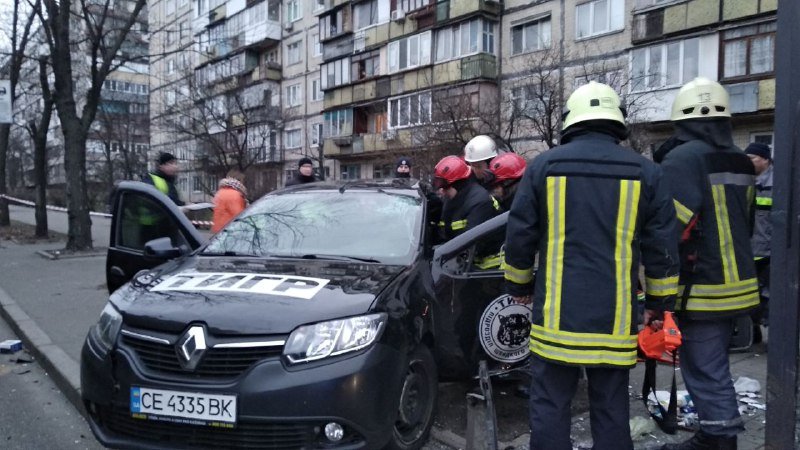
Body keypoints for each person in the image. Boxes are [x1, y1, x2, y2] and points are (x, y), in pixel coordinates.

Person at [503, 82, 680, 450]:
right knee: (612, 409)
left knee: (550, 407)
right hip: (613, 324)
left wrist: (519, 287)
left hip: (555, 322)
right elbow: (661, 248)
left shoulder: (542, 167)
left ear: (571, 121)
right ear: (616, 121)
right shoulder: (648, 173)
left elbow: (519, 235)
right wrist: (659, 307)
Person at [658, 77, 759, 450]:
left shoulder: (683, 159)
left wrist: (655, 286)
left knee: (705, 369)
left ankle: (719, 440)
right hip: (738, 283)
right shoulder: (739, 158)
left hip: (704, 285)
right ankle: (713, 433)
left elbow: (671, 228)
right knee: (713, 367)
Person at [433, 155, 500, 243]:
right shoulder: (452, 197)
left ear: (458, 184)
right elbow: (444, 230)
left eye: (445, 187)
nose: (442, 191)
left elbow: (470, 242)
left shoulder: (479, 202)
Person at [745, 142, 772, 344]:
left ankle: (777, 342)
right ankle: (753, 333)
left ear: (765, 159)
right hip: (750, 249)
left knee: (770, 296)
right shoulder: (747, 181)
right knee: (751, 295)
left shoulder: (777, 183)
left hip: (770, 252)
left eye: (752, 158)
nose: (749, 162)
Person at [211, 169, 248, 233]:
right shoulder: (234, 195)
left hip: (218, 230)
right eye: (242, 180)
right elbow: (239, 215)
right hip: (230, 231)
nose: (243, 183)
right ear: (238, 180)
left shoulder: (220, 192)